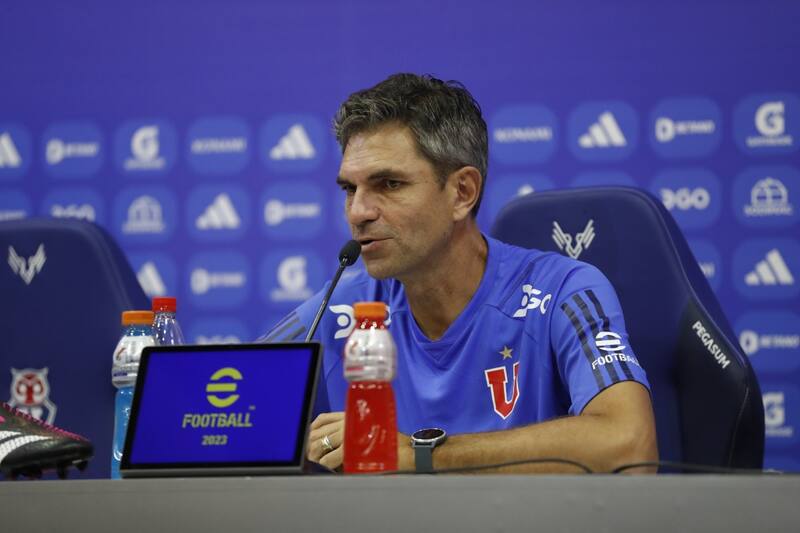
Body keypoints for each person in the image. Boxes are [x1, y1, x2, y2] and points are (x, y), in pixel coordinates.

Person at [260, 73, 658, 473]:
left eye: (389, 184)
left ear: (462, 193)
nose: (359, 212)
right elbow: (221, 418)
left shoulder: (562, 292)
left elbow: (630, 446)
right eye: (350, 189)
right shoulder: (346, 307)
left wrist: (418, 454)